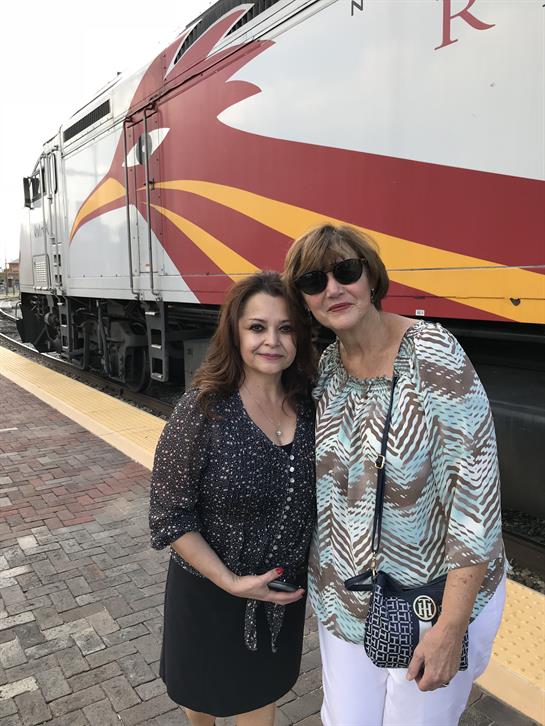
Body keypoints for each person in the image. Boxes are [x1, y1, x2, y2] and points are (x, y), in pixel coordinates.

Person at [283, 224, 506, 726]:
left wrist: (451, 626)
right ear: (303, 300)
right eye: (314, 281)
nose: (334, 289)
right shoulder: (330, 369)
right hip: (346, 599)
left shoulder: (432, 357)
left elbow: (477, 498)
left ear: (370, 276)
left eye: (346, 271)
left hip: (431, 601)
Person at [149, 271, 316, 726]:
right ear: (235, 333)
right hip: (209, 595)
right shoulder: (202, 409)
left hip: (279, 600)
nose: (273, 341)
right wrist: (229, 581)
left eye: (285, 328)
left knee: (260, 700)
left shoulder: (311, 407)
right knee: (202, 704)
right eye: (257, 327)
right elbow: (170, 516)